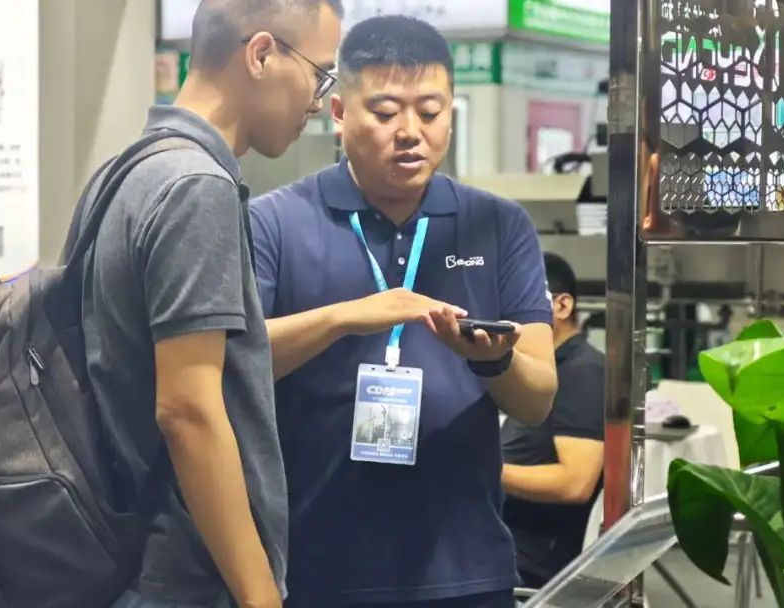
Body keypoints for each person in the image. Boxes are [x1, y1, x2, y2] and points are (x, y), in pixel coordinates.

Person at [248, 15, 558, 608]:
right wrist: (343, 317)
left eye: (431, 112)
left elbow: (537, 400)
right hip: (314, 567)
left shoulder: (498, 224)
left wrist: (491, 362)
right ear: (339, 113)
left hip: (465, 569)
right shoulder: (274, 222)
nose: (410, 132)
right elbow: (234, 365)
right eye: (386, 112)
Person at [61, 1, 343, 607]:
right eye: (320, 74)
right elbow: (188, 410)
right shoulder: (198, 187)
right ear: (261, 54)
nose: (319, 102)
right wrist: (260, 596)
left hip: (119, 553)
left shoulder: (125, 171)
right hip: (182, 573)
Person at [500, 252, 606, 588]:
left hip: (528, 561)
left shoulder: (582, 372)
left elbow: (575, 482)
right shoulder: (544, 369)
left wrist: (480, 470)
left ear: (562, 306)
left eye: (521, 300)